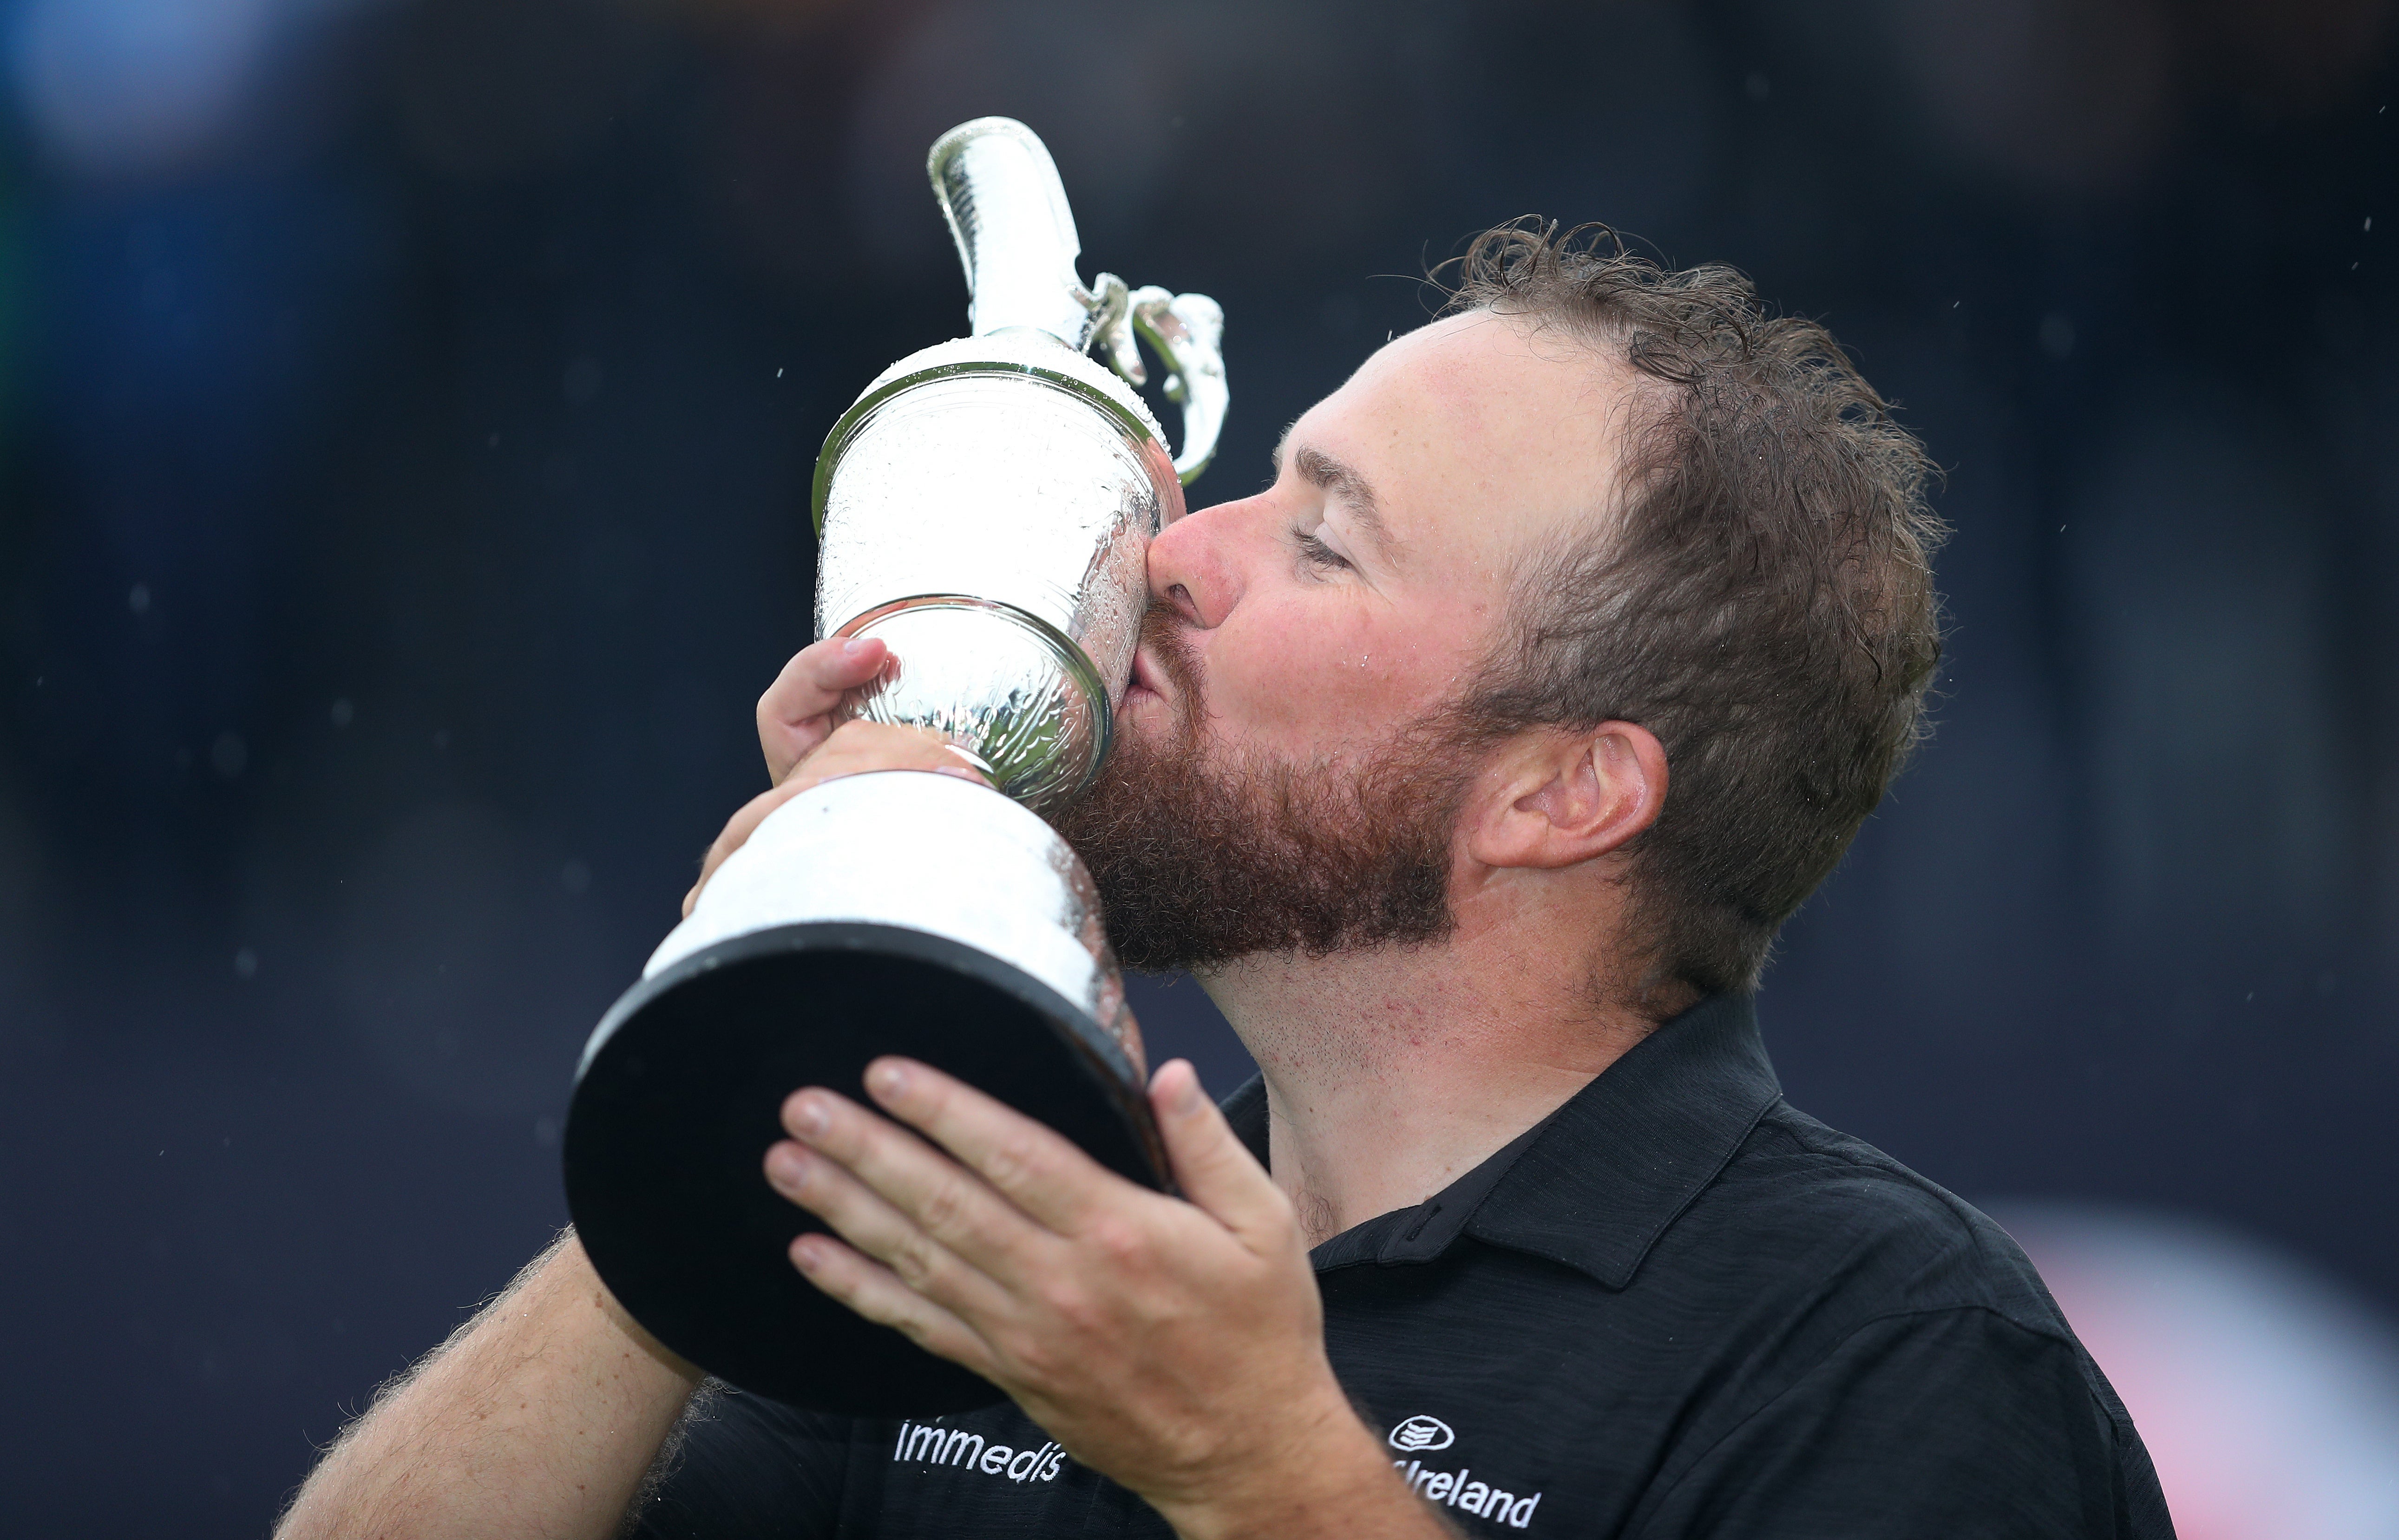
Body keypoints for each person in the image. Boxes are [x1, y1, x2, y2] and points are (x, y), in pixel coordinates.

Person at [278, 223, 2173, 1539]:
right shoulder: (990, 1205)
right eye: (1258, 476)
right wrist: (774, 994)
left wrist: (1260, 1467)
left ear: (1560, 792)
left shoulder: (1889, 1352)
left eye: (1325, 541)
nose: (1170, 555)